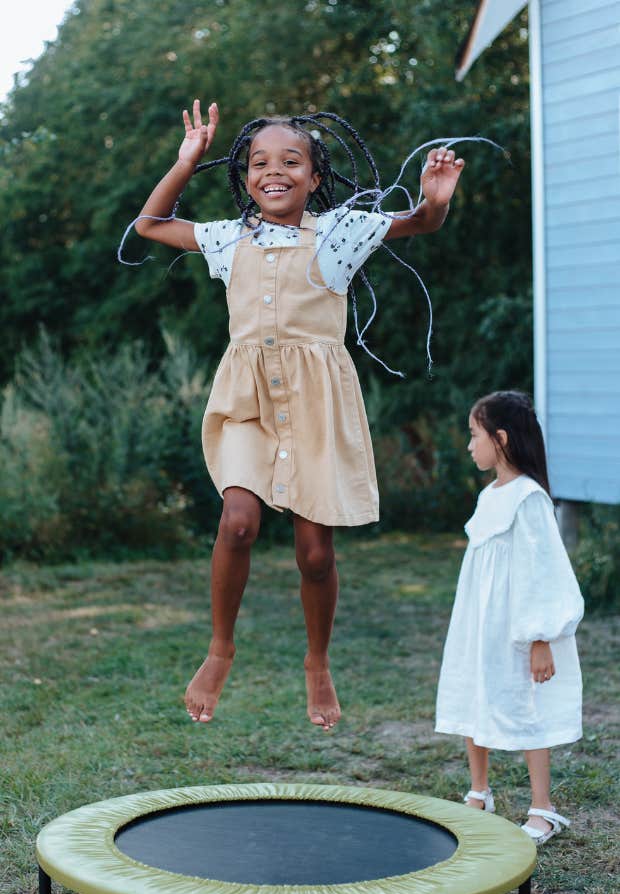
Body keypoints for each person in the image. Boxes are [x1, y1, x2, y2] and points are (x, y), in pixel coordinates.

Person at [132, 99, 465, 730]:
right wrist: (184, 162)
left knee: (315, 555)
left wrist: (437, 197)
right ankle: (220, 649)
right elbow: (150, 224)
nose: (273, 171)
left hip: (317, 407)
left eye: (291, 161)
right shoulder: (227, 239)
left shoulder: (341, 231)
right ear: (245, 175)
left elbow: (421, 221)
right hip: (247, 403)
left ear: (314, 177)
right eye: (259, 162)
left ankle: (318, 663)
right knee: (237, 521)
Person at [435, 390, 583, 844]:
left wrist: (540, 637)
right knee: (473, 692)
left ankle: (543, 807)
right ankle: (479, 791)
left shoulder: (529, 498)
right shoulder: (488, 497)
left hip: (518, 626)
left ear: (500, 438)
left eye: (474, 435)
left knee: (526, 704)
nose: (469, 445)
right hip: (480, 624)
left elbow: (543, 570)